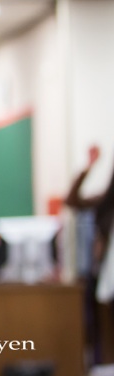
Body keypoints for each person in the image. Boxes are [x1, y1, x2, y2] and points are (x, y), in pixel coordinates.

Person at [65, 145, 114, 364]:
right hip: (105, 279)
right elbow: (72, 200)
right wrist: (89, 167)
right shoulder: (107, 203)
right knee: (103, 334)